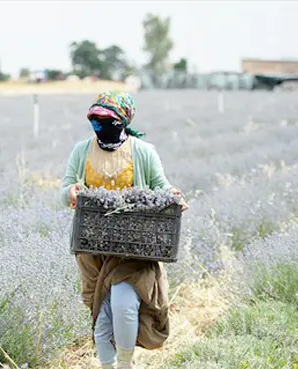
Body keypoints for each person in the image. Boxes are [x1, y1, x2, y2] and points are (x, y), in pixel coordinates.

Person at [60, 90, 188, 369]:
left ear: (123, 120)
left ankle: (126, 364)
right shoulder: (81, 150)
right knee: (102, 318)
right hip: (94, 248)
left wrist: (173, 196)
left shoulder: (143, 152)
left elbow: (161, 186)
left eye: (106, 120)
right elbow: (65, 187)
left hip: (134, 247)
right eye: (94, 120)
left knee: (124, 305)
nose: (99, 126)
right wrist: (71, 191)